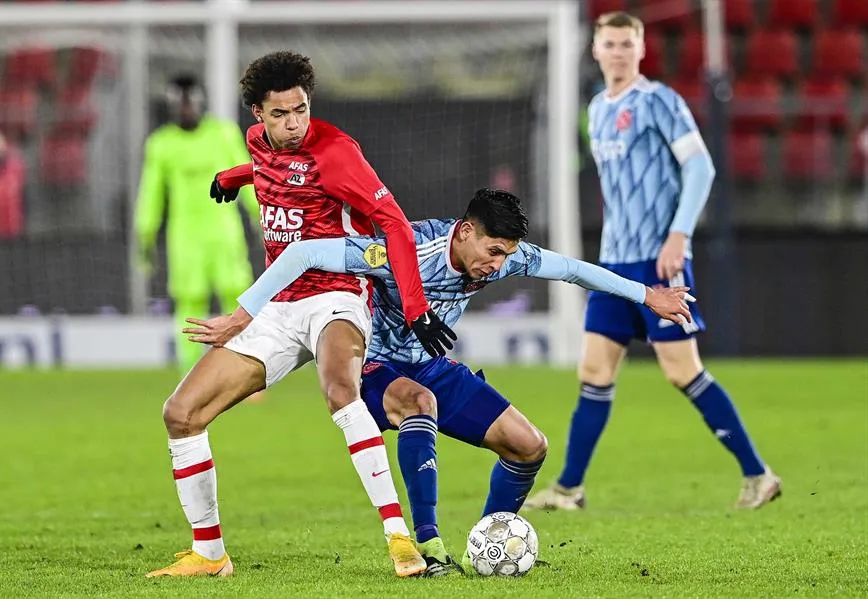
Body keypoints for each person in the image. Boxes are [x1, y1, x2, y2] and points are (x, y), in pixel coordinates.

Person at [184, 188, 694, 575]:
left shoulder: (504, 255)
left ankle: (490, 539)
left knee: (529, 446)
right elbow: (306, 255)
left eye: (505, 256)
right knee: (418, 401)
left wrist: (648, 297)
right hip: (372, 366)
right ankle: (428, 546)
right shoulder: (405, 247)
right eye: (492, 251)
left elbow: (576, 271)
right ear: (464, 232)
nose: (497, 266)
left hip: (428, 364)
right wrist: (246, 313)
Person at [146, 51, 454, 579]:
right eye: (281, 114)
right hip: (281, 304)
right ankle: (210, 554)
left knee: (340, 391)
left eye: (301, 110)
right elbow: (274, 167)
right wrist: (235, 176)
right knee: (181, 413)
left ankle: (399, 539)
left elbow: (395, 225)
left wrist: (416, 309)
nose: (294, 124)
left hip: (337, 296)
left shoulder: (337, 152)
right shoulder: (255, 143)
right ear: (257, 115)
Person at [524, 12, 781, 512]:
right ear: (595, 51)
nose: (618, 52)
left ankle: (758, 474)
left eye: (627, 44)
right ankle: (569, 488)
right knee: (594, 370)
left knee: (682, 370)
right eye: (610, 43)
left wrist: (678, 235)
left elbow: (701, 167)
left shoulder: (659, 100)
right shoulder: (597, 108)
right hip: (614, 266)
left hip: (658, 262)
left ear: (640, 50)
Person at [134, 73, 260, 376]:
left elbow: (247, 177)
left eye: (190, 103)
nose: (186, 109)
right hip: (186, 237)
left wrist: (261, 217)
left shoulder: (223, 134)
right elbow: (151, 192)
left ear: (201, 102)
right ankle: (191, 375)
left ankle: (246, 370)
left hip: (224, 232)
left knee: (238, 296)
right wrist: (145, 233)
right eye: (180, 104)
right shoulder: (162, 144)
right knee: (189, 303)